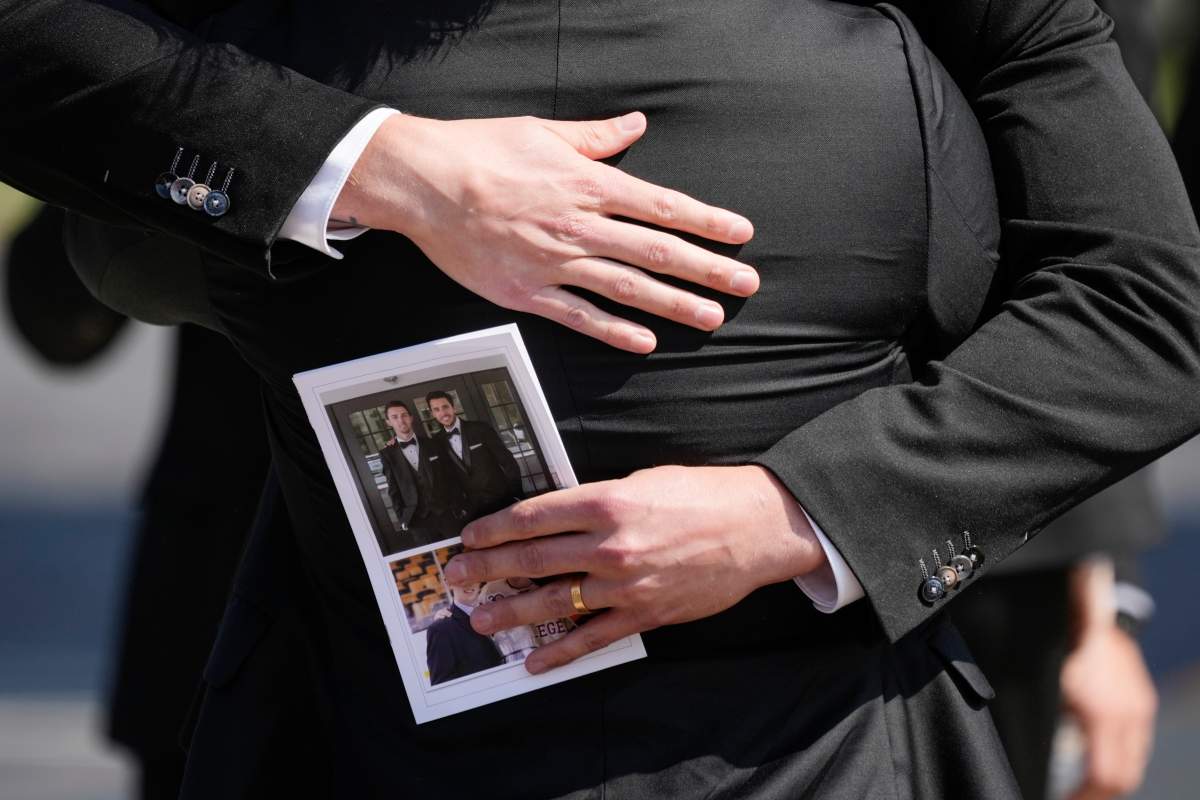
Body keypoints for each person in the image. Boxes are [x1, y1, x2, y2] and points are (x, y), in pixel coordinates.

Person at [2, 2, 1198, 798]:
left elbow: (1147, 298)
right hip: (362, 731)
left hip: (826, 741)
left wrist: (788, 513)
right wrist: (376, 166)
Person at [377, 400, 462, 551]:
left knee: (462, 553)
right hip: (417, 520)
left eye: (404, 415)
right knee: (436, 560)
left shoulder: (432, 444)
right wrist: (403, 518)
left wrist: (457, 505)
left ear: (411, 418)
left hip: (446, 514)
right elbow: (393, 489)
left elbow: (450, 477)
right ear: (388, 422)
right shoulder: (387, 454)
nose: (401, 420)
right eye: (395, 417)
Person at [426, 390, 523, 518]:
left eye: (445, 407)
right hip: (474, 508)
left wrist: (516, 493)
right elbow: (447, 478)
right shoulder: (436, 442)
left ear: (453, 407)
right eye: (437, 409)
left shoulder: (480, 428)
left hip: (504, 498)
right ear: (433, 413)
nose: (443, 413)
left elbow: (507, 461)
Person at [425, 581, 506, 685]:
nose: (469, 583)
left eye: (472, 577)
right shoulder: (440, 629)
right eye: (461, 579)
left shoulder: (499, 609)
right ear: (449, 582)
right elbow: (442, 685)